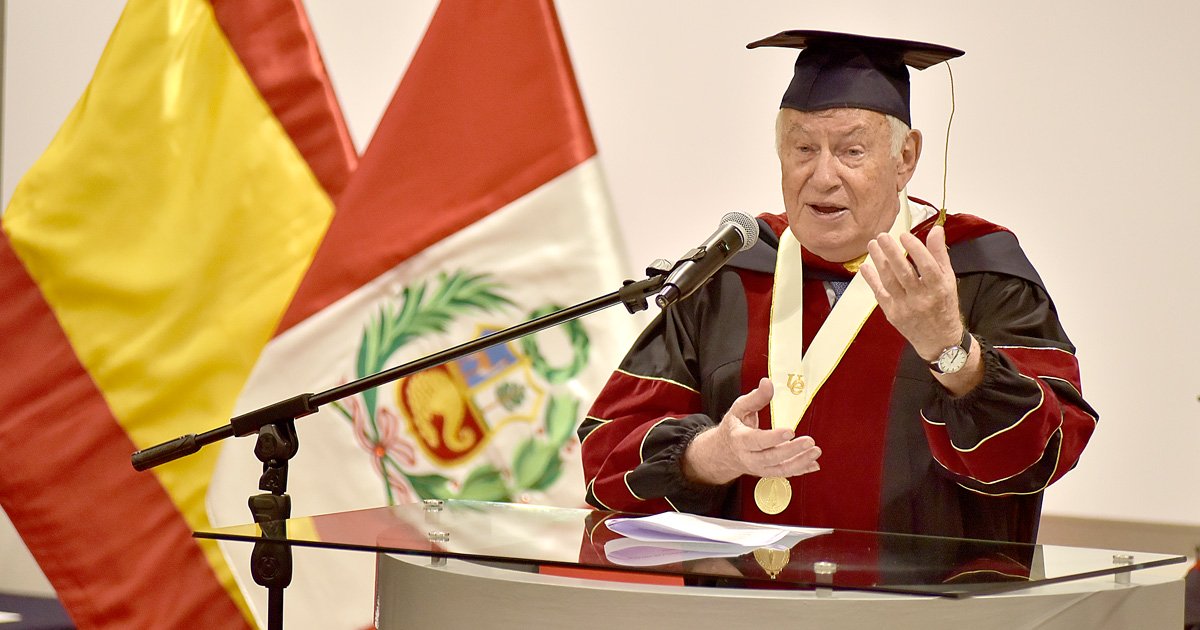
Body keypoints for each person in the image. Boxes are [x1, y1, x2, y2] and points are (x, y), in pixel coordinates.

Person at [578, 30, 1097, 544]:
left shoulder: (976, 273)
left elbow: (1042, 454)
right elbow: (605, 456)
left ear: (905, 158)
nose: (822, 176)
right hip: (743, 592)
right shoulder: (730, 275)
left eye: (851, 151)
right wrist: (711, 456)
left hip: (920, 593)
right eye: (803, 148)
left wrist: (953, 353)